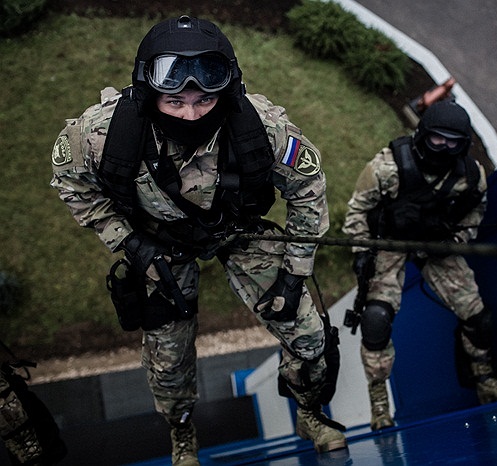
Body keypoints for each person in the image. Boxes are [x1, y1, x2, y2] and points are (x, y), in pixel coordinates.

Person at [50, 15, 346, 464]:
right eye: (175, 101)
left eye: (205, 99)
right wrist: (128, 241)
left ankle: (309, 412)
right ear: (149, 94)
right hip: (159, 245)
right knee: (168, 363)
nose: (191, 115)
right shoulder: (102, 133)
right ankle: (182, 433)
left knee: (309, 337)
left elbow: (308, 187)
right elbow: (71, 182)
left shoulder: (261, 128)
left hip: (238, 232)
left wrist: (295, 271)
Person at [342, 99, 497, 430]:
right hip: (389, 242)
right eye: (438, 139)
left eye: (454, 143)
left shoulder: (470, 176)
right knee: (376, 320)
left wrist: (455, 241)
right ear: (423, 135)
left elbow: (475, 212)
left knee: (478, 318)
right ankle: (379, 405)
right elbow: (357, 211)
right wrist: (363, 251)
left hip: (435, 245)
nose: (444, 148)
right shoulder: (387, 168)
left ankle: (486, 381)